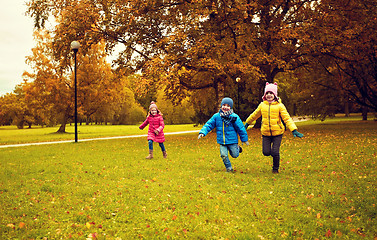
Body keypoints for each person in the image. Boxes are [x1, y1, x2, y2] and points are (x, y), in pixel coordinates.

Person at [244, 82, 303, 173]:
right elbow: (254, 115)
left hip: (277, 133)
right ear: (265, 95)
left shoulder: (280, 106)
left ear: (275, 95)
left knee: (275, 152)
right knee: (266, 152)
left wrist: (293, 129)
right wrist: (247, 123)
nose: (269, 95)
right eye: (267, 93)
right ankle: (273, 155)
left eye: (271, 93)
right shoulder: (262, 105)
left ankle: (275, 169)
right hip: (266, 133)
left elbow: (287, 118)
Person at [198, 97, 249, 172]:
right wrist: (203, 132)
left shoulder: (234, 117)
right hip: (222, 141)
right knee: (223, 155)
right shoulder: (216, 116)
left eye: (228, 106)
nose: (225, 107)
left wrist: (244, 139)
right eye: (224, 105)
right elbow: (209, 124)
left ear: (230, 107)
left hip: (232, 141)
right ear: (221, 106)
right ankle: (229, 168)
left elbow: (241, 128)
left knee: (235, 155)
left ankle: (238, 148)